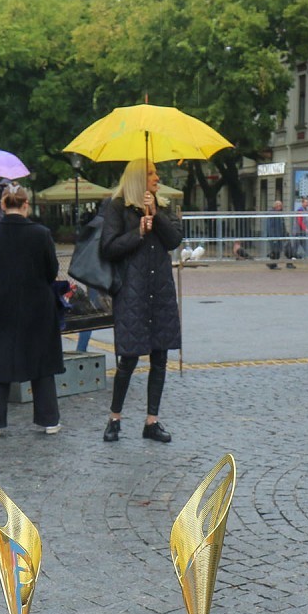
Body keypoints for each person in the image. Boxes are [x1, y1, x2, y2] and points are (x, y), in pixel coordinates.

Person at [99, 159, 181, 443]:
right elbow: (108, 247)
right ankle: (115, 418)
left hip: (160, 291)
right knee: (129, 358)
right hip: (132, 292)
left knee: (160, 357)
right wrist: (138, 232)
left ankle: (152, 421)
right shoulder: (117, 207)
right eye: (150, 173)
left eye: (155, 172)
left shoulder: (163, 206)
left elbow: (174, 240)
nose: (157, 177)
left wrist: (156, 215)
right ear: (137, 178)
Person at [0, 186, 62, 437]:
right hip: (38, 304)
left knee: (0, 361)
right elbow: (52, 271)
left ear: (2, 205)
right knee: (41, 361)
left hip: (1, 303)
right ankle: (49, 419)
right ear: (26, 205)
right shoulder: (42, 234)